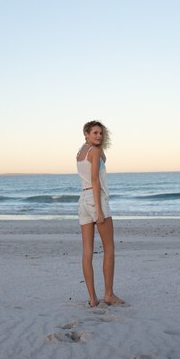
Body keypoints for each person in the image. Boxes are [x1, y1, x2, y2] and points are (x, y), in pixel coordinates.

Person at [76, 120, 125, 307]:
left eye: (101, 133)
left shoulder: (81, 152)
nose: (98, 136)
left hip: (82, 199)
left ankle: (92, 299)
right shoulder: (94, 152)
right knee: (109, 248)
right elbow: (96, 179)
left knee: (87, 250)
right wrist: (99, 210)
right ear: (86, 134)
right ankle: (109, 294)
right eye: (95, 133)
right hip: (96, 199)